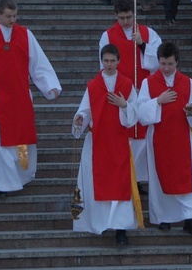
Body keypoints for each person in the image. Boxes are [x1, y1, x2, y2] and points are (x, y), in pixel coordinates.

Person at [0, 0, 61, 198]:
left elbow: (39, 64)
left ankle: (21, 176)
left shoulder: (26, 35)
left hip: (20, 94)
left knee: (22, 139)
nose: (12, 20)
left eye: (15, 16)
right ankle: (2, 183)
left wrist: (50, 86)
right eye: (8, 16)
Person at [136, 41, 192, 233]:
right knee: (160, 178)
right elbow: (140, 110)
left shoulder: (188, 82)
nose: (166, 68)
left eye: (170, 64)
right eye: (163, 64)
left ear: (177, 62)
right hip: (159, 139)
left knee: (190, 178)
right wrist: (157, 101)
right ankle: (164, 218)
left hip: (183, 139)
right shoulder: (149, 83)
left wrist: (191, 109)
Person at [72, 44, 139, 245]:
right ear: (101, 61)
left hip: (118, 141)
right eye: (106, 60)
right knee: (95, 184)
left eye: (112, 60)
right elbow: (84, 111)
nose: (109, 64)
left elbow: (135, 115)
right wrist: (79, 119)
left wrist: (124, 105)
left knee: (119, 184)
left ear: (118, 61)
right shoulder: (93, 86)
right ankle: (97, 222)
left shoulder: (127, 85)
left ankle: (121, 229)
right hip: (96, 142)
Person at [98, 0, 162, 184]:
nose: (126, 22)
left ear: (134, 15)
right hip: (121, 94)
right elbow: (103, 67)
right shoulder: (107, 36)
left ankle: (141, 179)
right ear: (115, 15)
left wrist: (142, 44)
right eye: (122, 18)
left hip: (142, 93)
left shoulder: (148, 33)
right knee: (123, 135)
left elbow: (159, 63)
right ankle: (123, 176)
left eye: (129, 17)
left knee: (142, 137)